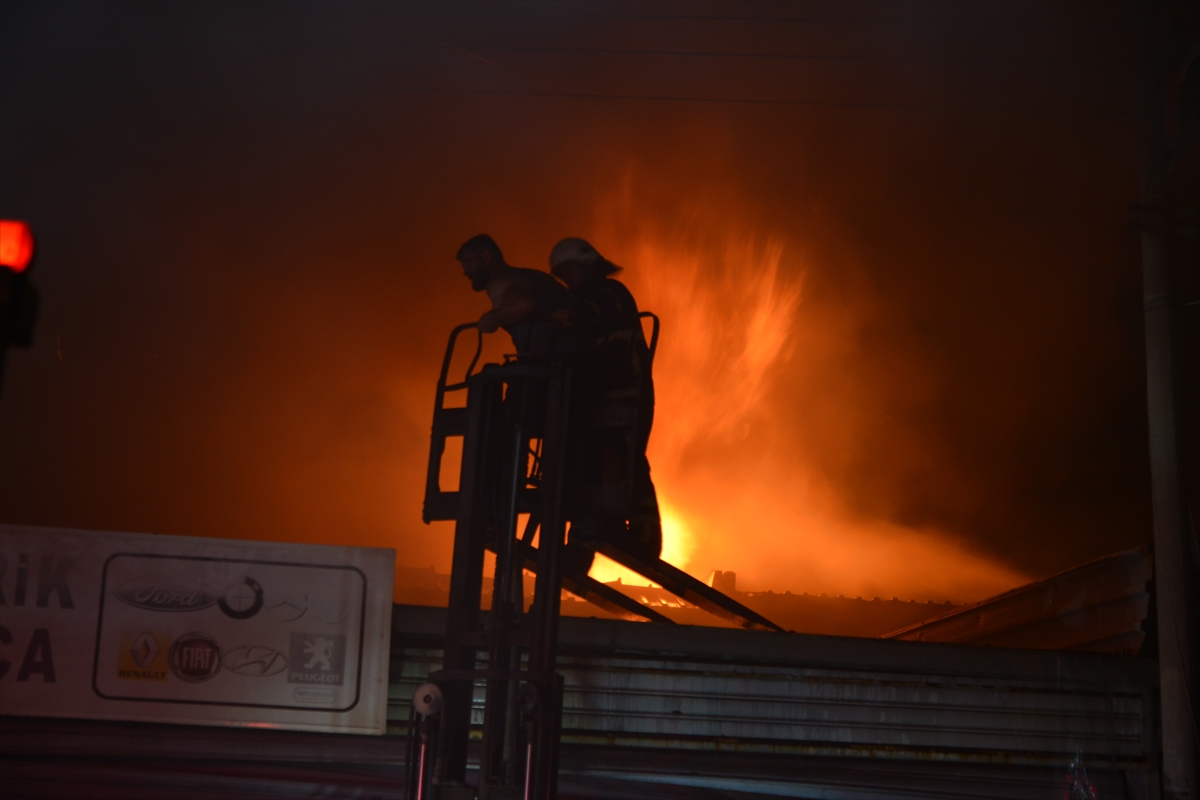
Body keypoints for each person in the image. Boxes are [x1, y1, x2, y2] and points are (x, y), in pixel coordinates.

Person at [549, 237, 662, 563]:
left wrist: (571, 314)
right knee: (594, 464)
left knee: (629, 463)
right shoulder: (581, 301)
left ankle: (645, 541)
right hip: (601, 398)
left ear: (587, 266)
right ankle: (588, 538)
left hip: (628, 394)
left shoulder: (612, 293)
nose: (566, 278)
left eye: (569, 270)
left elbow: (596, 309)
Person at [456, 234, 572, 358]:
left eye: (468, 263)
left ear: (486, 256)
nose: (465, 272)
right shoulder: (534, 276)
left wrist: (491, 319)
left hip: (553, 364)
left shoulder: (499, 282)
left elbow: (522, 304)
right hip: (579, 357)